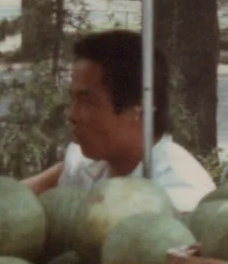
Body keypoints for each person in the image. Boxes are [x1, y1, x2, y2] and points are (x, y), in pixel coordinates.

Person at [22, 29, 215, 213]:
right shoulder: (88, 165)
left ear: (139, 107)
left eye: (87, 101)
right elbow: (14, 200)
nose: (72, 115)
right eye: (72, 100)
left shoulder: (179, 194)